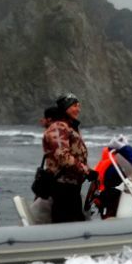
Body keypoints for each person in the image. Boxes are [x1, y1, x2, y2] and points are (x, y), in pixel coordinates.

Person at [41, 93, 91, 223]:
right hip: (62, 187)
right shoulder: (59, 127)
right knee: (66, 223)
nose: (78, 109)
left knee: (78, 221)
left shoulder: (69, 127)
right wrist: (86, 170)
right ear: (65, 107)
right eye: (74, 106)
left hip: (73, 186)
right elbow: (63, 156)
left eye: (79, 106)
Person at [89, 134, 132, 218]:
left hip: (106, 204)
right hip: (110, 208)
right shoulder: (113, 167)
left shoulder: (106, 163)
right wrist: (126, 148)